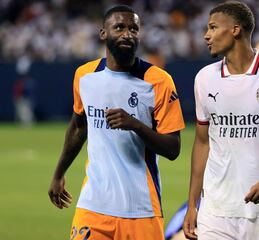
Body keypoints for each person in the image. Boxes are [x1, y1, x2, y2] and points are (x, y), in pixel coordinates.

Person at [48, 5, 185, 240]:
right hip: (93, 206)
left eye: (134, 29)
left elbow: (173, 149)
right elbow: (79, 127)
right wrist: (59, 173)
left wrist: (136, 125)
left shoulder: (159, 81)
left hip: (141, 209)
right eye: (119, 27)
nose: (127, 34)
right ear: (103, 33)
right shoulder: (85, 75)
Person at [183, 1, 259, 240]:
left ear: (235, 29)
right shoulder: (204, 78)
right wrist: (192, 204)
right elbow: (202, 143)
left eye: (213, 27)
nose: (206, 35)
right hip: (215, 208)